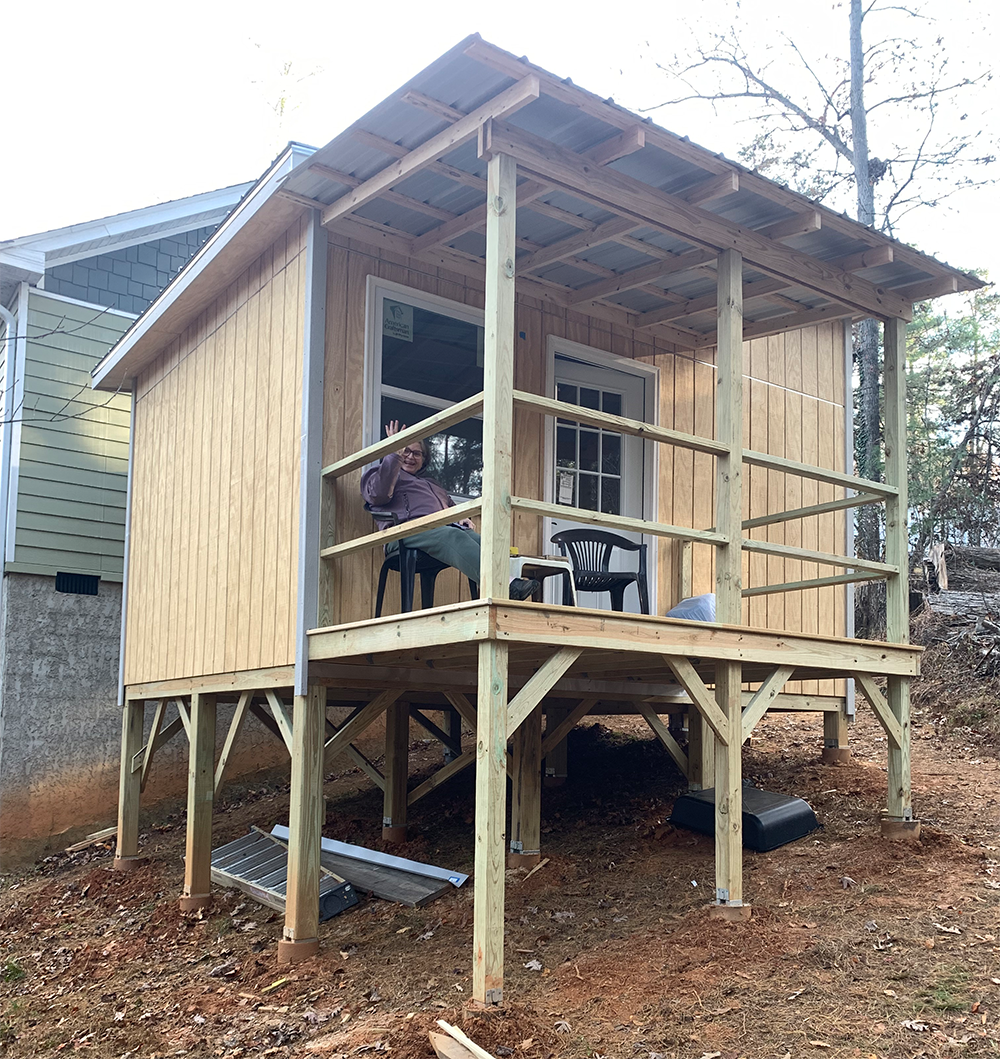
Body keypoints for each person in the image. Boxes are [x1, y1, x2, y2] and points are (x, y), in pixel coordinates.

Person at [360, 420, 540, 601]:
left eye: (417, 453)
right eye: (405, 451)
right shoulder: (379, 474)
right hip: (403, 532)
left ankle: (509, 586)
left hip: (436, 530)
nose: (410, 457)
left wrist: (460, 517)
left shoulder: (431, 484)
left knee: (485, 543)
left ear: (423, 459)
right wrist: (394, 456)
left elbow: (450, 505)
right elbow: (378, 495)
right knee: (453, 535)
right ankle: (505, 587)